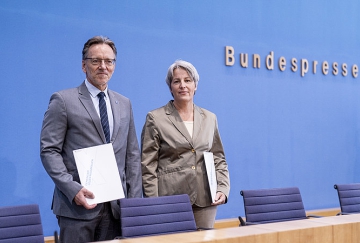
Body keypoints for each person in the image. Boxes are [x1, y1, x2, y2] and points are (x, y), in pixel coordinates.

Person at [40, 36, 142, 243]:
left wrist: (134, 204)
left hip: (116, 209)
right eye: (96, 61)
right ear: (83, 65)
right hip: (77, 208)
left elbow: (132, 155)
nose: (103, 66)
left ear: (114, 65)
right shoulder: (63, 100)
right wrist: (73, 189)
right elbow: (49, 151)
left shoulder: (124, 103)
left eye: (109, 61)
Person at [141, 60, 230, 229]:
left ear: (195, 85)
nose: (183, 85)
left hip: (206, 199)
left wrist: (223, 188)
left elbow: (218, 157)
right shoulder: (155, 118)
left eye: (187, 80)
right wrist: (154, 203)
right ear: (170, 87)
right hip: (171, 201)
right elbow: (148, 166)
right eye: (177, 81)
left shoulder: (210, 118)